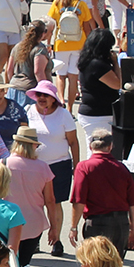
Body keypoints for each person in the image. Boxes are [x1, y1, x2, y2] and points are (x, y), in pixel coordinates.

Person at [23, 80, 79, 257]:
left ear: (54, 98)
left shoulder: (64, 115)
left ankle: (56, 240)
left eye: (45, 95)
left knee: (54, 203)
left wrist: (77, 166)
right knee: (34, 203)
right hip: (33, 166)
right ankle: (35, 239)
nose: (41, 98)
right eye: (38, 95)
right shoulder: (28, 112)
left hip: (59, 164)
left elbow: (73, 142)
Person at [68, 131, 134, 257]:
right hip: (121, 224)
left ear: (90, 146)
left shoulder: (84, 167)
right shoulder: (122, 168)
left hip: (97, 223)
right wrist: (133, 228)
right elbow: (133, 202)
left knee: (96, 266)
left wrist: (73, 227)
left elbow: (79, 200)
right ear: (110, 146)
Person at [5, 126, 63, 260]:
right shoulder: (43, 167)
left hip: (7, 221)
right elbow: (50, 200)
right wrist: (54, 228)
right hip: (33, 223)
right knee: (24, 263)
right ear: (33, 146)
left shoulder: (4, 164)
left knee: (8, 264)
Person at [46, 0, 96, 105]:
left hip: (61, 43)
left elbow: (51, 25)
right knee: (73, 77)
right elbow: (87, 27)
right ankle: (70, 107)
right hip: (78, 43)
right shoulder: (81, 5)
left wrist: (48, 43)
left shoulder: (57, 4)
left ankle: (61, 100)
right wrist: (89, 45)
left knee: (60, 75)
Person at [73, 29, 122, 138]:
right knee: (99, 148)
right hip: (98, 114)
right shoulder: (98, 65)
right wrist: (115, 62)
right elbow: (117, 84)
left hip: (93, 112)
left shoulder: (86, 60)